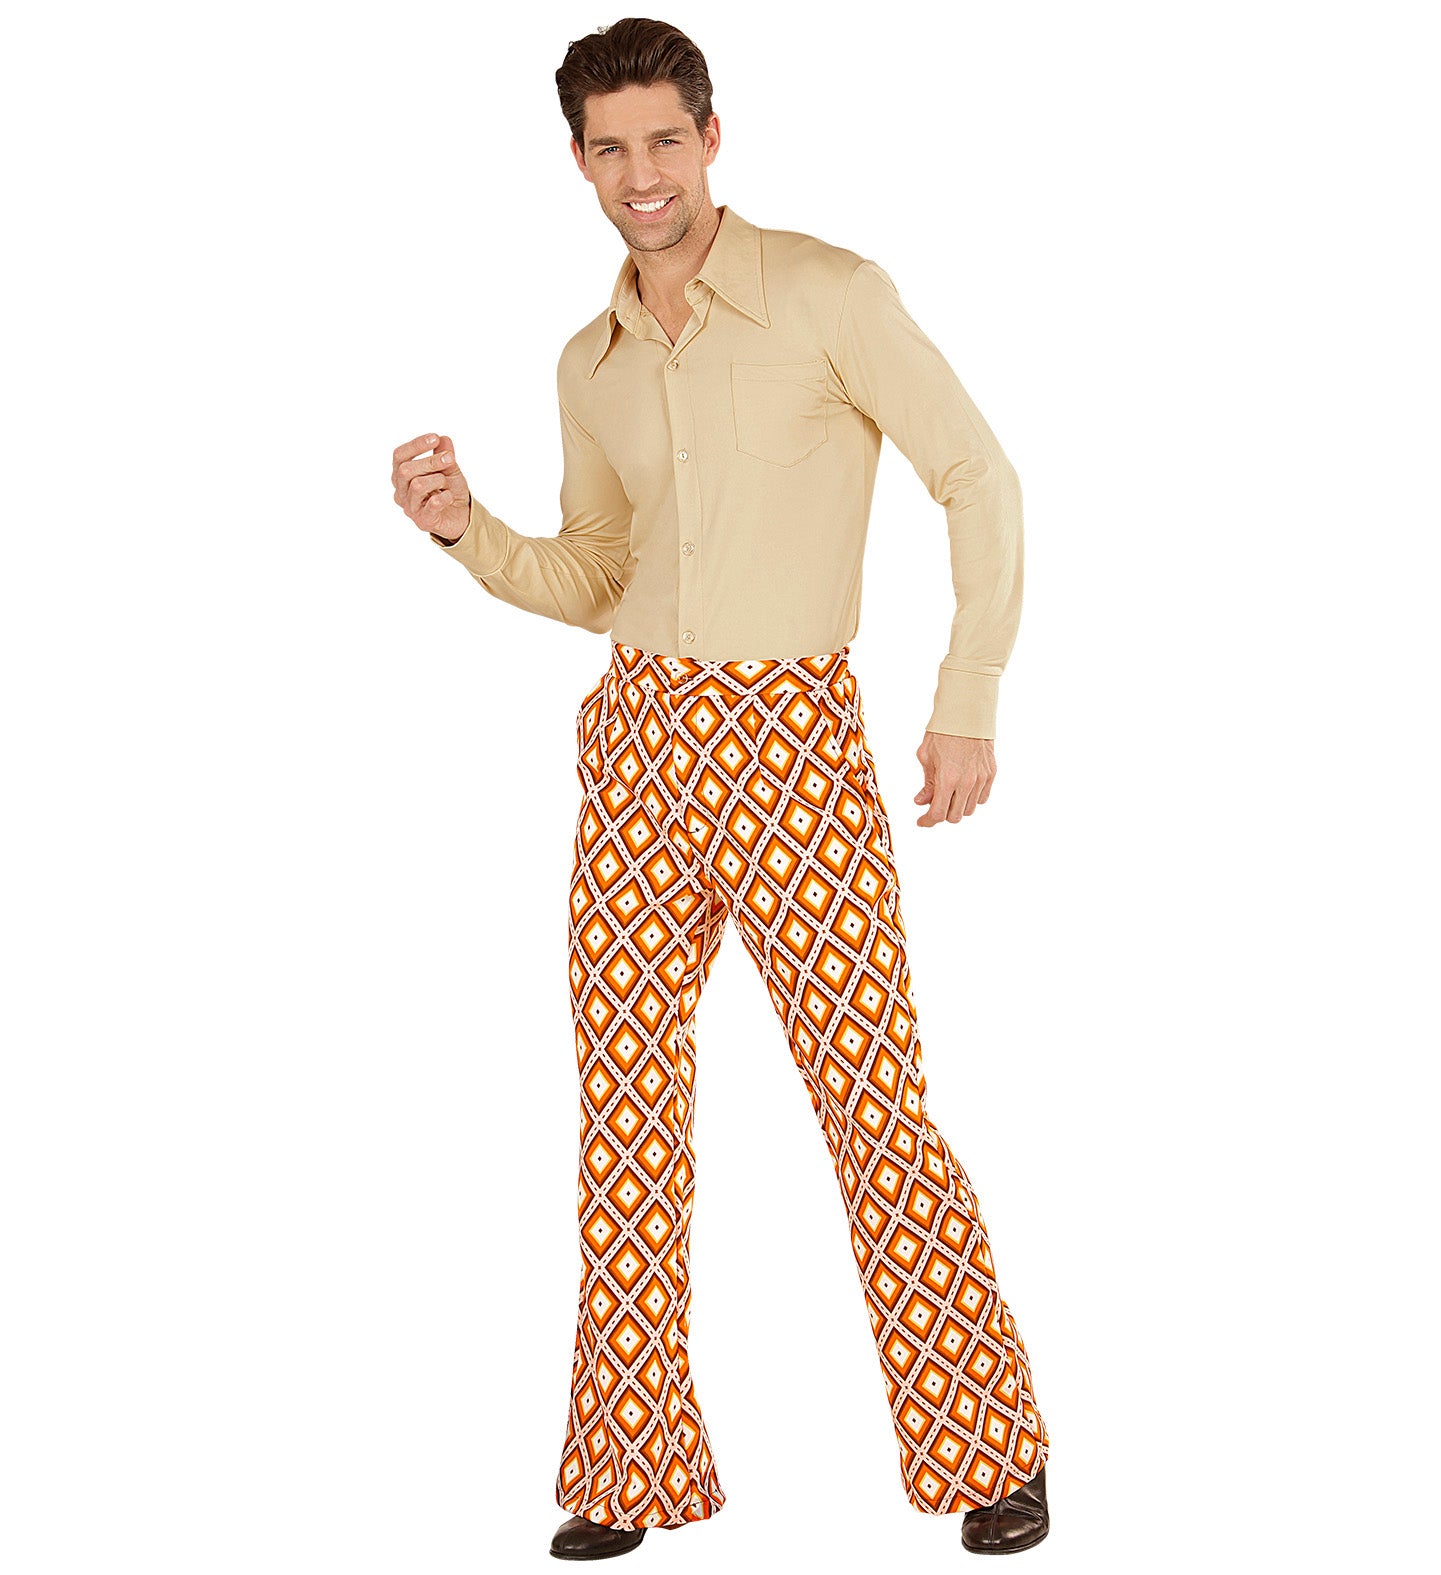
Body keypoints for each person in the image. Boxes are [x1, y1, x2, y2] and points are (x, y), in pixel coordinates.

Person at [390, 16, 1051, 1561]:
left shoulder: (829, 292)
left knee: (870, 1102)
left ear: (709, 137)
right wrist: (464, 530)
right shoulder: (590, 361)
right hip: (635, 743)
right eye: (608, 147)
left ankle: (989, 1448)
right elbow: (596, 571)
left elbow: (977, 478)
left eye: (664, 140)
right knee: (621, 1112)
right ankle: (626, 1473)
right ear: (577, 161)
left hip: (791, 737)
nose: (641, 173)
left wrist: (965, 697)